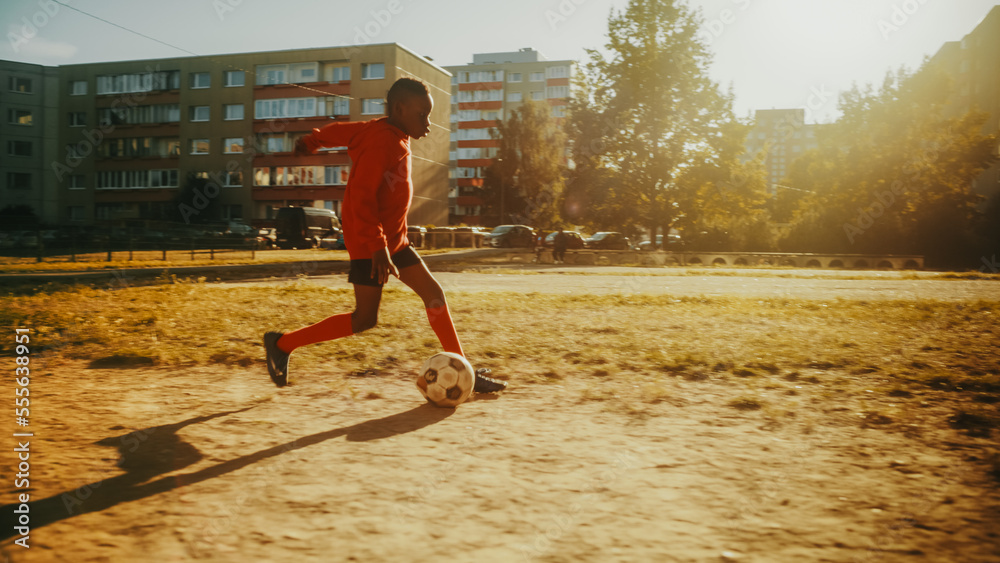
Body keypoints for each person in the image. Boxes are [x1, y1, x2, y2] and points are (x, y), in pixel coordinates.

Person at [263, 78, 506, 393]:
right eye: (422, 116)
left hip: (394, 241)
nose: (427, 124)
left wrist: (313, 140)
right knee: (364, 318)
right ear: (399, 109)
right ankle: (281, 344)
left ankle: (462, 370)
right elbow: (361, 197)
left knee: (433, 295)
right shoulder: (384, 141)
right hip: (370, 242)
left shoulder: (384, 130)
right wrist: (377, 248)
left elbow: (342, 130)